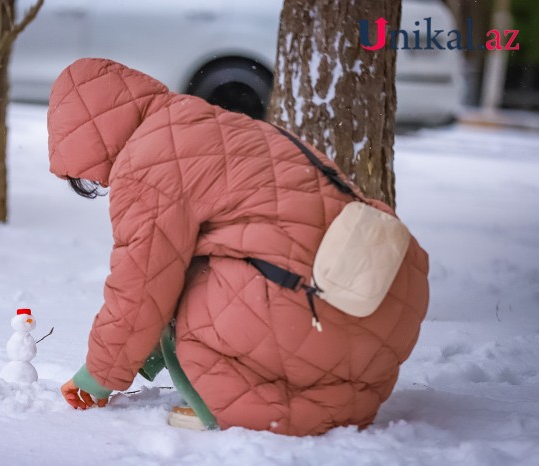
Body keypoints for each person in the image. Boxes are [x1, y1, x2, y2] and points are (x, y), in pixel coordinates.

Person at [51, 58, 429, 436]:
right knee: (185, 265)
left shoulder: (145, 162)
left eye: (86, 179)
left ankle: (218, 403)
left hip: (321, 312)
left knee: (178, 286)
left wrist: (96, 378)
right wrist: (138, 358)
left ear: (86, 141)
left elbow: (140, 289)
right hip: (381, 305)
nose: (98, 184)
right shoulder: (211, 123)